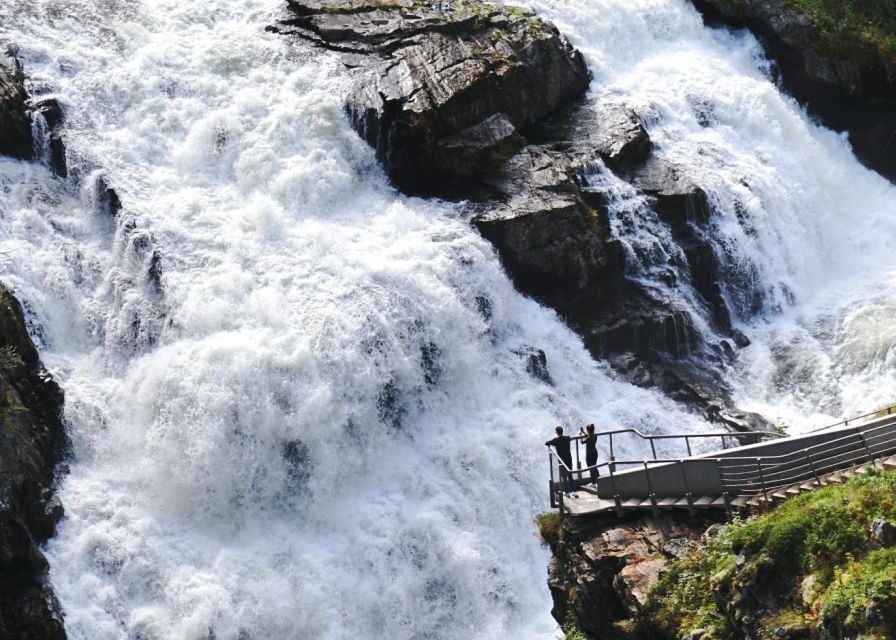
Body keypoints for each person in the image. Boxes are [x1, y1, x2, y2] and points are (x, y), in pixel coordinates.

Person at [545, 426, 576, 496]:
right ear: (562, 431)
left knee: (564, 476)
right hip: (569, 459)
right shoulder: (567, 438)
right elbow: (570, 438)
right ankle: (574, 491)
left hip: (562, 461)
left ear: (556, 432)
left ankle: (567, 492)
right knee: (570, 475)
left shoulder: (555, 440)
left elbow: (546, 443)